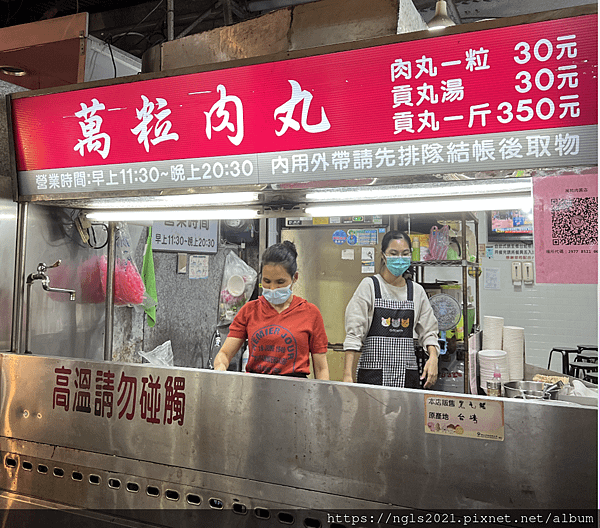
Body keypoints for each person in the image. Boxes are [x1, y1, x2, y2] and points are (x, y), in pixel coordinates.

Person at [214, 241, 330, 380]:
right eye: (267, 281)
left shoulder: (310, 313)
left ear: (295, 278)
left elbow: (321, 368)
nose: (273, 288)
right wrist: (220, 369)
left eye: (280, 282)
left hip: (296, 390)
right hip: (255, 388)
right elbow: (225, 354)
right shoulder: (249, 311)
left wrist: (322, 398)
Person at [343, 230, 439, 389]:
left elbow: (429, 331)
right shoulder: (370, 286)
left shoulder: (416, 291)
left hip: (407, 375)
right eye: (393, 253)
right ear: (383, 255)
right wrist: (347, 374)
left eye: (405, 253)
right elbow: (354, 333)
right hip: (372, 375)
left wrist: (433, 357)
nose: (399, 258)